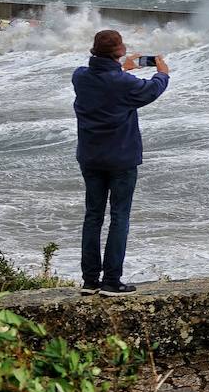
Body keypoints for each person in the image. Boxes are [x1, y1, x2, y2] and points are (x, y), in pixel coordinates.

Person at [72, 29, 170, 297]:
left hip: (90, 157)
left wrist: (122, 69)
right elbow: (150, 90)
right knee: (119, 216)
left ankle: (90, 280)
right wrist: (162, 72)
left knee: (93, 216)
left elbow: (108, 82)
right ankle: (112, 281)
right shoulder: (123, 83)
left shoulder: (80, 77)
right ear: (118, 51)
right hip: (121, 158)